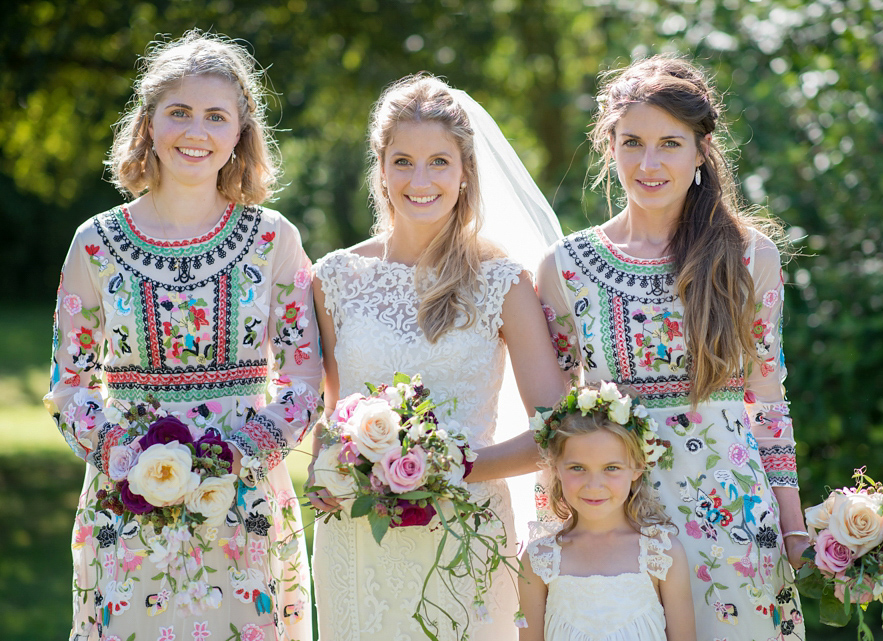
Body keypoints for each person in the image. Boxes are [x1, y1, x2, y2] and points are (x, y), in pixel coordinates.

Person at [44, 30, 321, 641]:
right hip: (128, 503)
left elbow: (304, 378)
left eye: (216, 116)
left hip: (243, 499)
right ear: (148, 124)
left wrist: (239, 450)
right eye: (179, 112)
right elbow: (69, 384)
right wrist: (127, 454)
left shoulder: (275, 239)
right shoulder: (95, 243)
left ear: (240, 134)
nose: (196, 132)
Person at [535, 54, 807, 639]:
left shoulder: (749, 257)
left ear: (701, 150)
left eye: (670, 144)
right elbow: (558, 416)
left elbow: (769, 402)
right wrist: (556, 528)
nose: (649, 163)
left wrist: (795, 529)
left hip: (733, 521)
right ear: (609, 146)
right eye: (632, 142)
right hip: (617, 520)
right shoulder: (565, 268)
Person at [306, 73, 567, 641]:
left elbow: (555, 427)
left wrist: (454, 467)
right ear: (380, 169)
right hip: (357, 535)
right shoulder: (335, 277)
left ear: (466, 172)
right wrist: (326, 466)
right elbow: (330, 414)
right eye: (402, 161)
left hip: (465, 537)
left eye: (439, 162)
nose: (419, 180)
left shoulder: (504, 283)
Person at [518, 382, 695, 641]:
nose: (594, 485)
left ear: (637, 467)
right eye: (578, 468)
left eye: (611, 468)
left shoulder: (663, 553)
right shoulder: (538, 561)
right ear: (555, 467)